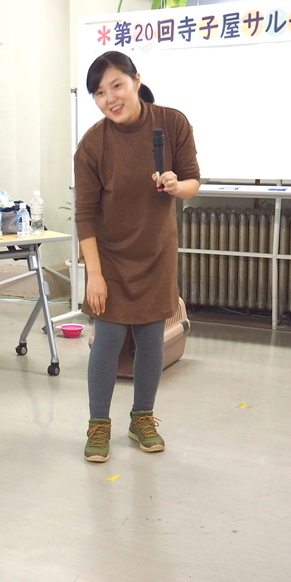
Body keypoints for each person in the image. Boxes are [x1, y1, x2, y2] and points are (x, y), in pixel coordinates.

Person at [74, 50, 201, 463]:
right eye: (99, 92)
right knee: (108, 338)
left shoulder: (172, 123)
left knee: (150, 338)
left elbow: (193, 181)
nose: (110, 98)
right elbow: (85, 214)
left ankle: (141, 418)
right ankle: (98, 424)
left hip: (156, 251)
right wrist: (94, 274)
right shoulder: (93, 144)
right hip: (110, 255)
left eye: (117, 85)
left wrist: (176, 186)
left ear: (136, 81)